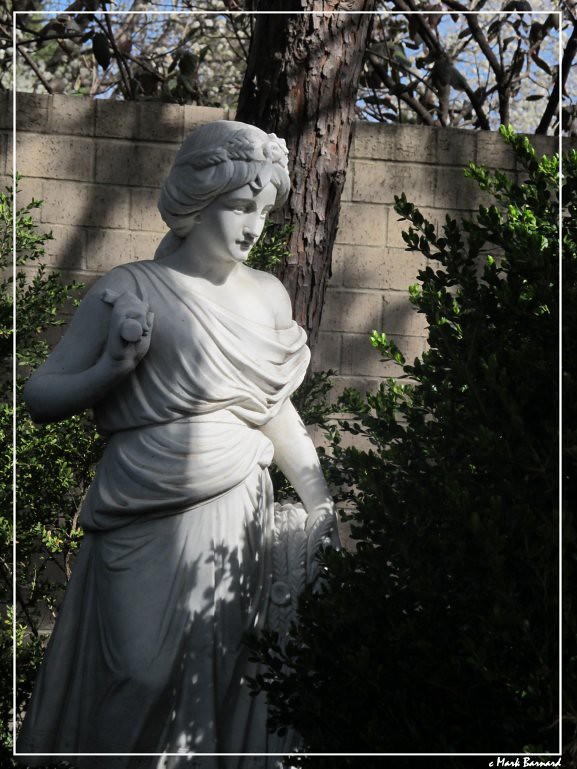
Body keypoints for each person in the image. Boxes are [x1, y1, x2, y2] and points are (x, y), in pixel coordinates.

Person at [17, 121, 337, 769]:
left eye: (262, 211)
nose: (253, 226)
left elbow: (273, 409)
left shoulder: (268, 296)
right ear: (196, 200)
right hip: (140, 507)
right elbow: (42, 396)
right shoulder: (130, 288)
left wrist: (319, 499)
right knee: (139, 672)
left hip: (237, 504)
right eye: (239, 207)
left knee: (211, 679)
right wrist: (111, 368)